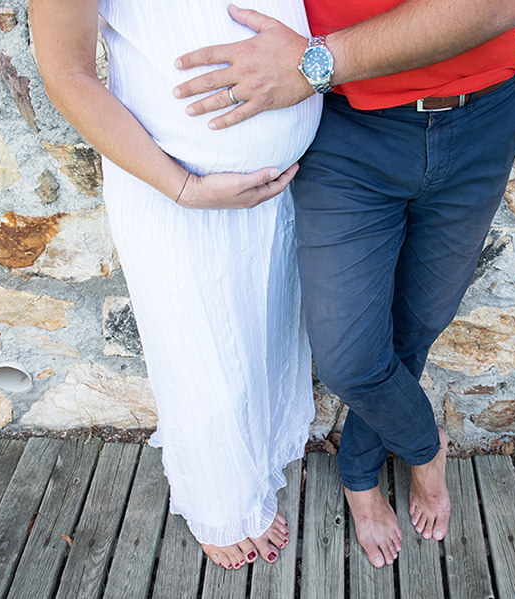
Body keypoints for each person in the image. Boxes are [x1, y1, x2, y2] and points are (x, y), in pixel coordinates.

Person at [172, 0, 515, 568]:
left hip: (482, 120)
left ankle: (361, 476)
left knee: (415, 329)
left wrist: (315, 62)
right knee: (350, 359)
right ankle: (426, 447)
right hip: (349, 132)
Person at [30, 0, 322, 570]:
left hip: (282, 186)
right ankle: (222, 506)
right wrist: (183, 187)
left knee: (263, 338)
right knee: (203, 359)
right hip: (173, 190)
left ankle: (259, 463)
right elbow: (66, 73)